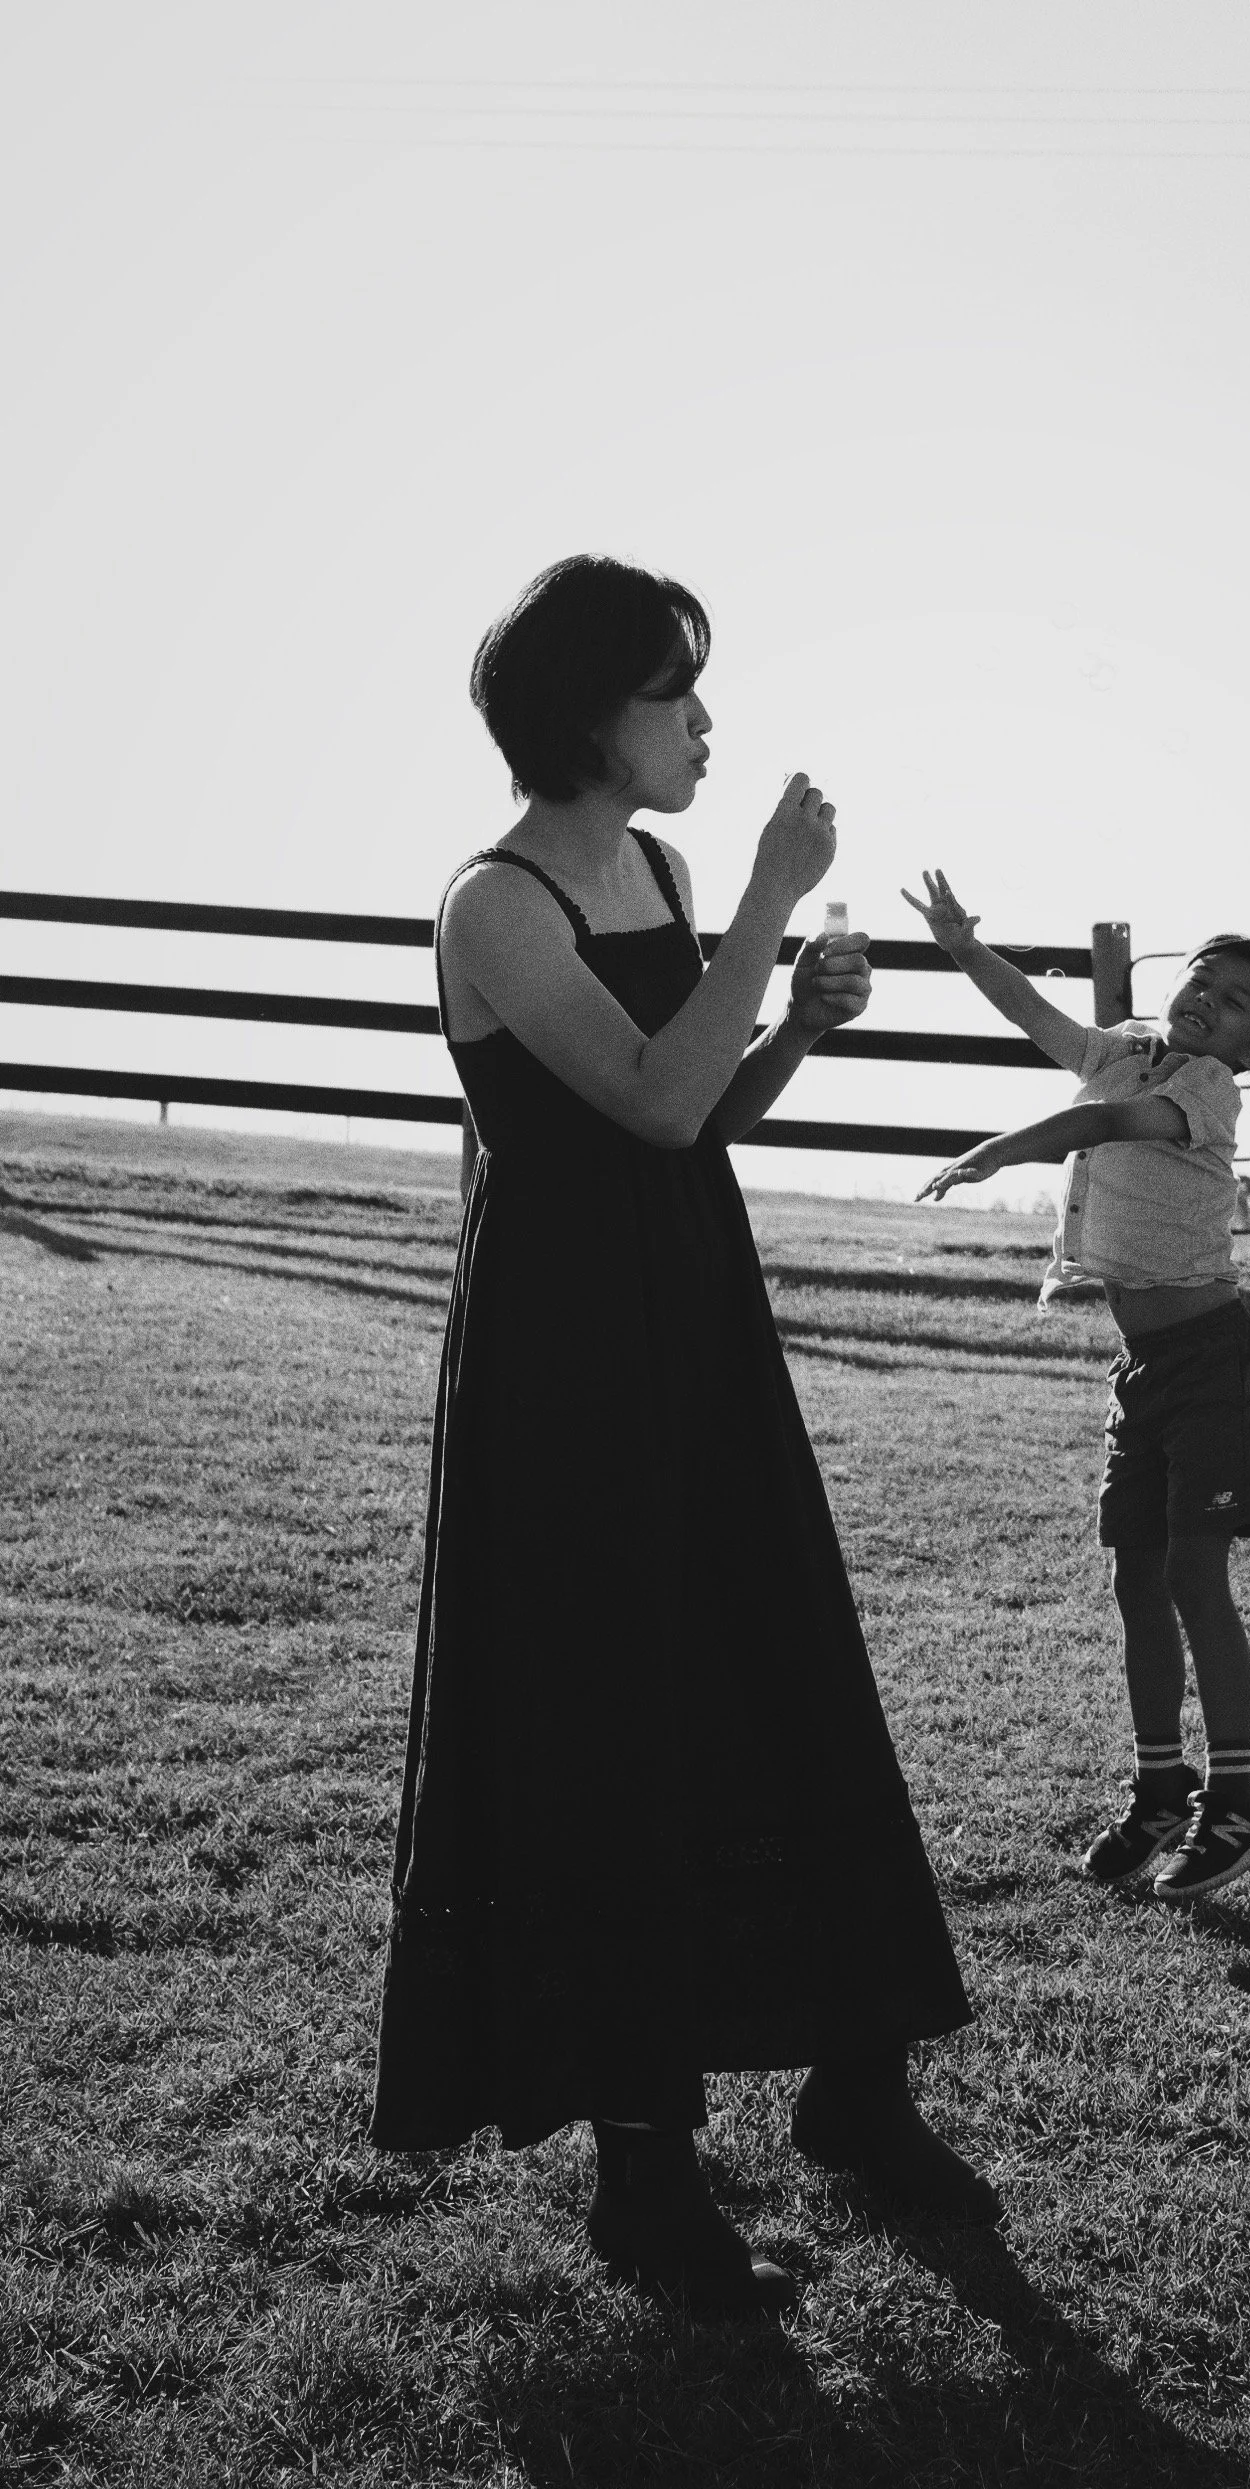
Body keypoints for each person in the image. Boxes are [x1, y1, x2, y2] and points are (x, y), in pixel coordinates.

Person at [371, 560, 995, 2317]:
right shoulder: (493, 902)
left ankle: (856, 2088)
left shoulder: (653, 865)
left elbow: (699, 1109)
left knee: (777, 1657)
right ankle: (645, 2177)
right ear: (587, 715)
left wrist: (791, 1014)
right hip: (566, 1357)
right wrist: (771, 909)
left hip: (694, 1311)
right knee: (615, 1713)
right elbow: (638, 1096)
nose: (705, 721)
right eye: (674, 689)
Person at [904, 868, 1250, 1903]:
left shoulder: (1200, 1089)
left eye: (1230, 1001)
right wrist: (963, 949)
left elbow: (1096, 1129)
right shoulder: (1130, 1051)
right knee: (1132, 1577)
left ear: (1248, 1048)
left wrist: (1001, 1150)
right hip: (1141, 1370)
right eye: (1200, 979)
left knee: (1189, 1575)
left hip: (1212, 1365)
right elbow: (1035, 1016)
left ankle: (1236, 1802)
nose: (1203, 999)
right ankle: (1158, 1789)